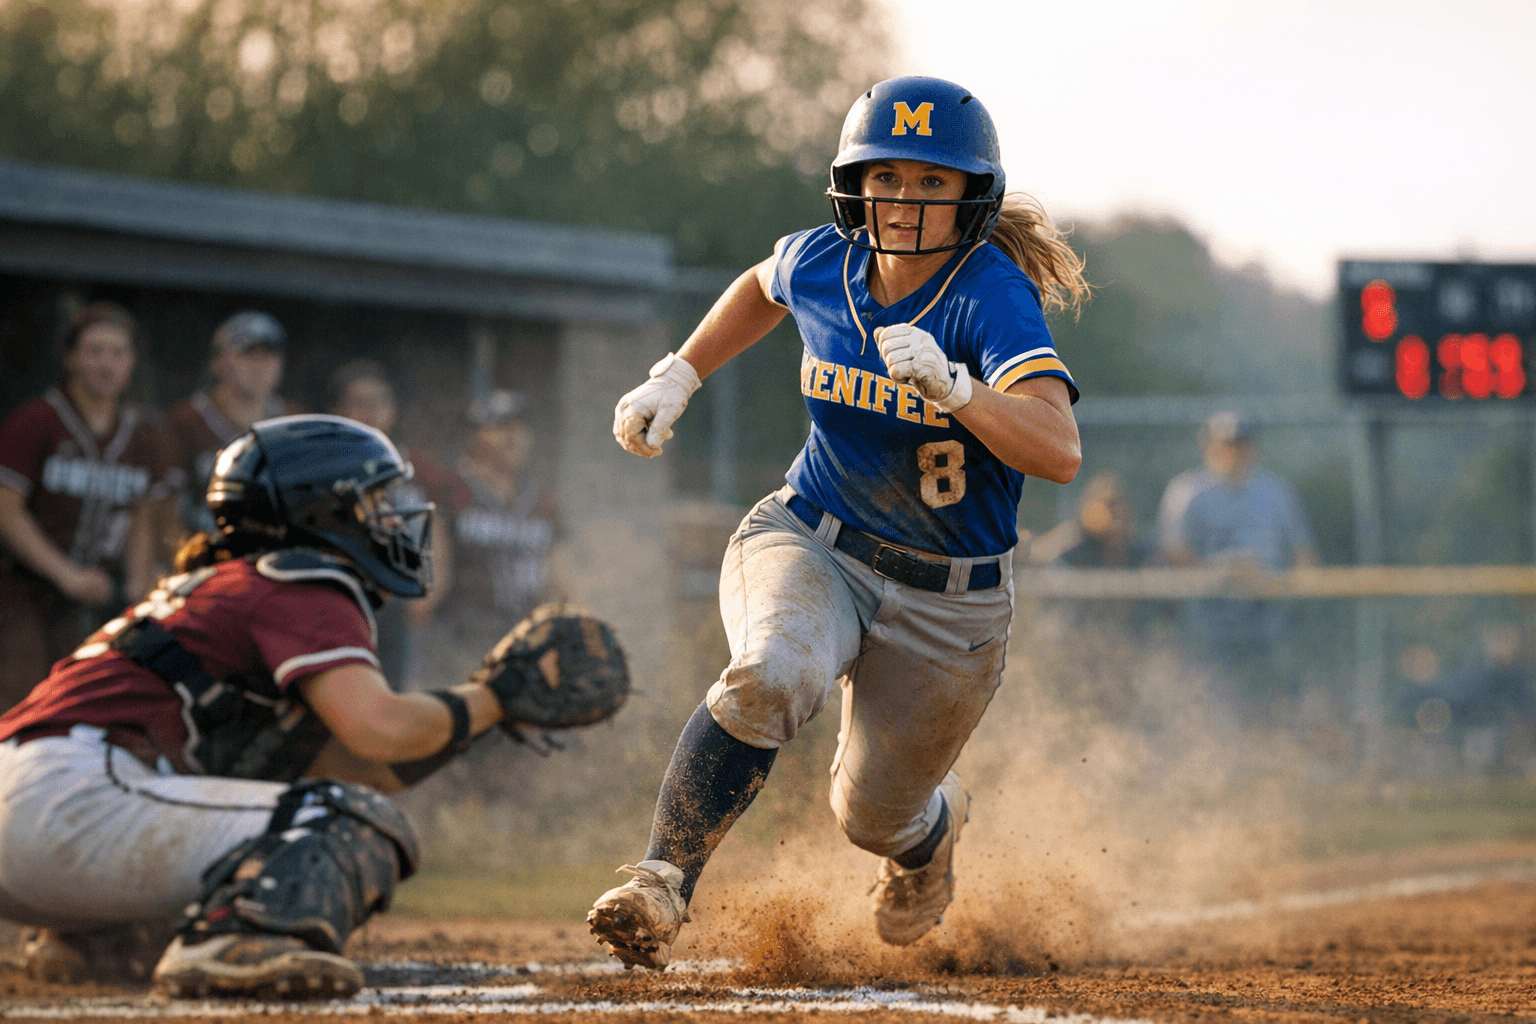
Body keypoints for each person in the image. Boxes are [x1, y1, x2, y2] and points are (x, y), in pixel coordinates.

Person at [586, 75, 1088, 969]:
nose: (904, 200)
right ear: (854, 182)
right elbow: (760, 284)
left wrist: (960, 390)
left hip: (951, 601)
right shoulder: (826, 259)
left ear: (973, 195)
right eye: (887, 175)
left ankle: (930, 836)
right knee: (772, 671)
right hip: (812, 538)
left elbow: (1058, 450)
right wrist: (680, 373)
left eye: (933, 182)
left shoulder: (990, 294)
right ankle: (661, 881)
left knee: (870, 818)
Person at [0, 415, 604, 998]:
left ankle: (97, 938)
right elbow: (380, 729)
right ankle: (227, 943)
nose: (391, 517)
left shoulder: (232, 581)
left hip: (48, 806)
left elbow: (343, 763)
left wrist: (481, 715)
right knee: (348, 823)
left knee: (307, 811)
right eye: (374, 500)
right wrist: (493, 696)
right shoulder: (302, 577)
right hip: (71, 801)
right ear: (320, 509)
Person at [0, 302, 170, 713]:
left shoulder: (143, 435)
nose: (106, 365)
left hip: (100, 596)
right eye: (95, 351)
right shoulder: (38, 420)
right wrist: (66, 574)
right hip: (25, 590)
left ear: (131, 363)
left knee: (87, 704)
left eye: (117, 353)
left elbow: (142, 516)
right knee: (20, 697)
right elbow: (6, 508)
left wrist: (138, 578)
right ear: (71, 358)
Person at [1156, 410, 1318, 718]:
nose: (1233, 452)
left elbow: (1303, 553)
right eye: (1225, 445)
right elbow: (1174, 551)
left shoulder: (1275, 492)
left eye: (1240, 444)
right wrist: (1226, 572)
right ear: (1209, 448)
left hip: (1267, 618)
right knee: (1213, 706)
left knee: (1273, 706)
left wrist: (1284, 586)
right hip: (1209, 619)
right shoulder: (1188, 491)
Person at [327, 359, 465, 689]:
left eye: (381, 402)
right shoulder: (320, 465)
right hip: (338, 609)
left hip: (404, 613)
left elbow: (438, 540)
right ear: (338, 409)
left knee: (400, 693)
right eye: (360, 402)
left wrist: (426, 597)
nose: (371, 412)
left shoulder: (418, 469)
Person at [163, 311, 296, 542]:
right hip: (202, 554)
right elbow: (164, 509)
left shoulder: (294, 422)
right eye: (247, 355)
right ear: (218, 362)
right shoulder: (185, 421)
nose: (259, 366)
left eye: (268, 356)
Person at [449, 389, 557, 631]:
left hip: (524, 635)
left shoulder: (542, 502)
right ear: (475, 436)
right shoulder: (453, 493)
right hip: (460, 634)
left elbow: (557, 578)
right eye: (502, 428)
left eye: (521, 428)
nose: (514, 437)